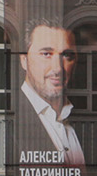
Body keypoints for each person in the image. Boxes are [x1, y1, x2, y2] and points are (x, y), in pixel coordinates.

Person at [13, 18, 84, 165]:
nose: (58, 68)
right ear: (24, 60)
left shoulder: (70, 122)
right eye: (46, 54)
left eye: (66, 56)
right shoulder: (12, 117)